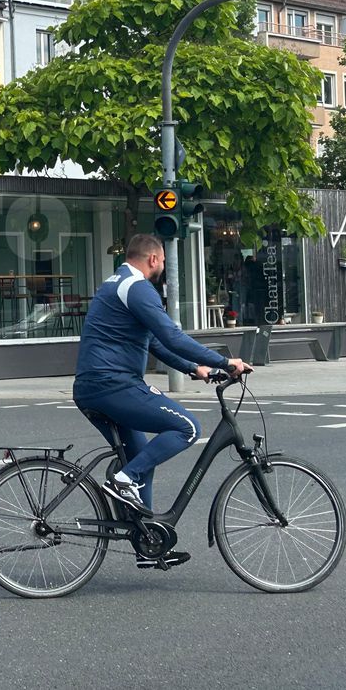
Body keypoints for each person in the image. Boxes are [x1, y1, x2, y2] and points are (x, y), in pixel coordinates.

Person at [74, 233, 249, 570]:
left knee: (142, 458)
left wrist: (196, 368)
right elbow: (171, 336)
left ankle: (147, 545)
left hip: (94, 387)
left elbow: (154, 342)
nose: (163, 267)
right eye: (164, 261)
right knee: (187, 427)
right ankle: (122, 480)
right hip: (114, 385)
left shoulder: (115, 284)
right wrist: (225, 362)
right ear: (153, 259)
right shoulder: (137, 288)